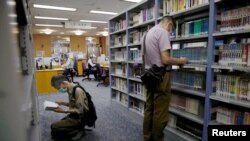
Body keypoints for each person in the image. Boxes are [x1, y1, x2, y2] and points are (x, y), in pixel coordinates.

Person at [142, 16, 188, 141]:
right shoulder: (163, 33)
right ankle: (158, 139)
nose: (170, 32)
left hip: (148, 75)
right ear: (169, 24)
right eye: (171, 29)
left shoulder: (147, 33)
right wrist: (181, 61)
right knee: (160, 112)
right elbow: (166, 59)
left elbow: (143, 57)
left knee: (149, 108)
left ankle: (147, 137)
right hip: (161, 76)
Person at [50, 74, 89, 140]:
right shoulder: (70, 88)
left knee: (54, 128)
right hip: (74, 115)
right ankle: (76, 128)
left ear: (63, 83)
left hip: (80, 118)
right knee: (55, 128)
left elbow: (79, 110)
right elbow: (73, 104)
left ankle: (79, 129)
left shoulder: (77, 91)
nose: (59, 90)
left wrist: (64, 111)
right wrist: (62, 103)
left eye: (58, 88)